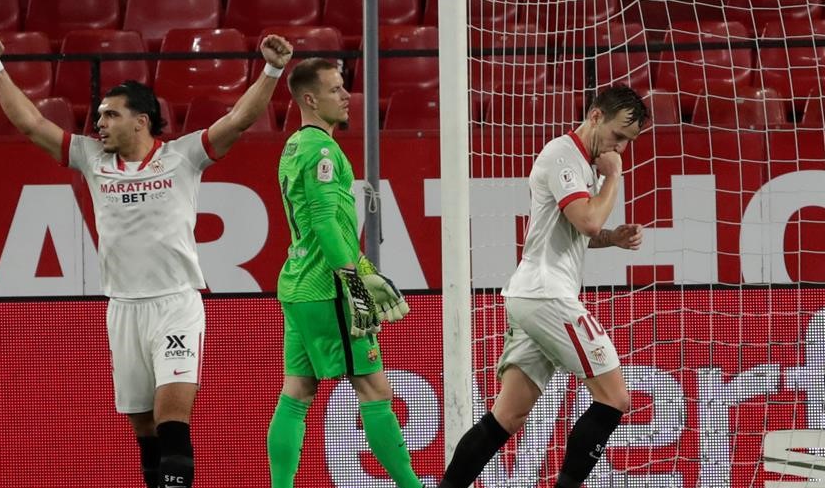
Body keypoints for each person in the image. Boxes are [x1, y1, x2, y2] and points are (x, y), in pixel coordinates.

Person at [0, 32, 294, 488]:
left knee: (172, 420)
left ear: (141, 121)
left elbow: (239, 120)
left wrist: (272, 71)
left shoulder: (183, 156)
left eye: (109, 115)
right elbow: (31, 125)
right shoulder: (90, 158)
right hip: (122, 308)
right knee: (144, 431)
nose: (98, 122)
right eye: (99, 115)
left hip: (176, 305)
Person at [438, 85, 650, 488]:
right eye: (618, 136)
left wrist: (614, 238)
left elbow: (579, 232)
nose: (620, 148)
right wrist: (614, 178)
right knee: (615, 398)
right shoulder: (563, 155)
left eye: (628, 143)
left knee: (508, 416)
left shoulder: (581, 164)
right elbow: (586, 220)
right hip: (546, 295)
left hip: (532, 294)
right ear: (595, 116)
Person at [269, 57, 420, 488]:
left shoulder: (293, 146)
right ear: (310, 99)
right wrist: (354, 279)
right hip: (326, 287)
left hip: (297, 284)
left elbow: (321, 224)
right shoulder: (321, 150)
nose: (345, 96)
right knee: (375, 391)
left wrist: (363, 267)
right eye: (335, 89)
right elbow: (323, 220)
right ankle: (412, 486)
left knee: (297, 392)